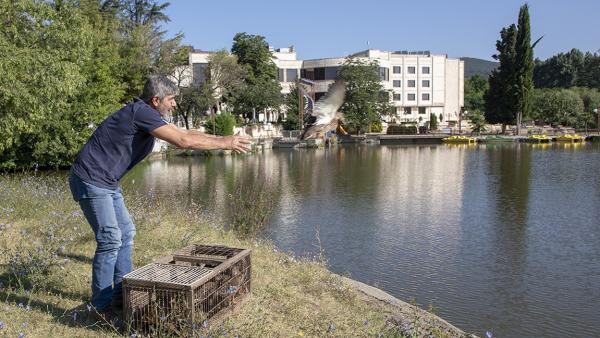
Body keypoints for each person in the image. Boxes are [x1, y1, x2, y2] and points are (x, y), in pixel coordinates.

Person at [68, 75, 251, 324]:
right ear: (156, 100)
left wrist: (222, 138)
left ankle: (123, 296)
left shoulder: (148, 115)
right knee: (110, 238)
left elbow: (186, 132)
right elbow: (183, 141)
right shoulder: (140, 112)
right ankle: (100, 309)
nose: (174, 105)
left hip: (107, 181)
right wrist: (225, 143)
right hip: (91, 178)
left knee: (126, 232)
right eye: (171, 100)